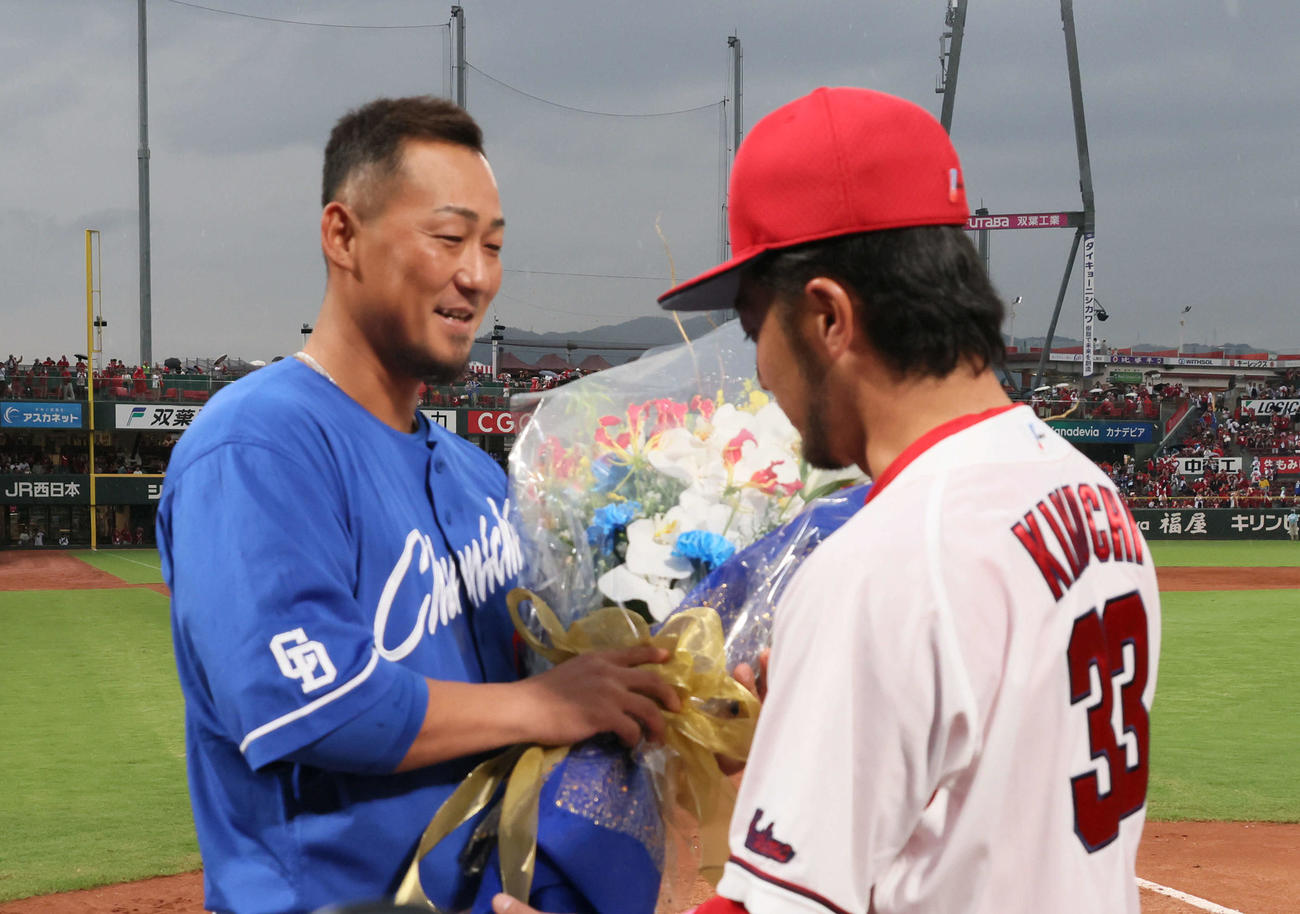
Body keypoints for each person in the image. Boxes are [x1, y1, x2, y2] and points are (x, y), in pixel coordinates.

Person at [498, 86, 1163, 914]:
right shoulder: (1088, 493)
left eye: (754, 331)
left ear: (828, 318)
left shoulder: (883, 565)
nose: (758, 370)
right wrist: (822, 726)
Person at [157, 96, 679, 914]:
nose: (477, 274)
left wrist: (671, 690)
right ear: (342, 236)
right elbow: (318, 706)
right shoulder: (257, 445)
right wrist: (544, 703)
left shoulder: (478, 478)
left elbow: (560, 683)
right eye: (448, 237)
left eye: (492, 246)